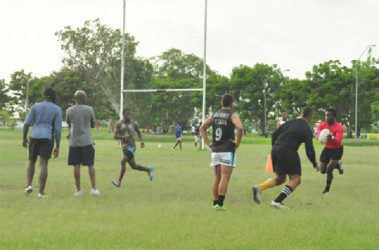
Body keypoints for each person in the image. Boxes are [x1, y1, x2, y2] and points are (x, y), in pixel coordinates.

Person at [252, 107, 319, 209]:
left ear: (301, 114)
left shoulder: (290, 122)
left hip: (275, 149)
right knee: (296, 179)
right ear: (311, 117)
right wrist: (315, 164)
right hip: (288, 151)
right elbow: (309, 150)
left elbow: (275, 135)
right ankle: (277, 202)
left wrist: (275, 149)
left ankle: (259, 188)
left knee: (280, 178)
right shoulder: (306, 129)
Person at [200, 93, 243, 210]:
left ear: (221, 103)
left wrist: (208, 143)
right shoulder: (232, 115)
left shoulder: (214, 115)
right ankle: (220, 204)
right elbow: (240, 127)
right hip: (227, 150)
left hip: (215, 151)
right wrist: (237, 143)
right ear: (232, 103)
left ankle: (215, 203)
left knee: (217, 177)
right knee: (225, 177)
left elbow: (202, 127)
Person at [22, 87, 62, 198]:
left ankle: (29, 186)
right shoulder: (57, 109)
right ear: (53, 97)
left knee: (31, 161)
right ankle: (41, 192)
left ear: (44, 96)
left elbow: (26, 124)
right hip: (47, 137)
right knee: (43, 163)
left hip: (34, 136)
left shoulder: (35, 106)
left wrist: (24, 137)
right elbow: (58, 129)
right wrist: (57, 145)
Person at [66, 90, 100, 197]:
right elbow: (92, 124)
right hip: (87, 141)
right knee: (90, 164)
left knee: (76, 165)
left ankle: (78, 190)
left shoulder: (69, 110)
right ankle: (93, 189)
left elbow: (69, 123)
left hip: (74, 142)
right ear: (83, 98)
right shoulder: (89, 109)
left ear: (75, 98)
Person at [111, 108, 154, 187]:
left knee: (123, 160)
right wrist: (124, 137)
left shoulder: (134, 124)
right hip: (124, 147)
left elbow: (138, 132)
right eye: (127, 114)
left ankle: (119, 181)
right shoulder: (119, 124)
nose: (129, 116)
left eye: (130, 114)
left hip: (132, 146)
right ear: (123, 114)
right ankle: (148, 170)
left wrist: (141, 141)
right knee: (134, 166)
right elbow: (114, 136)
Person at [316, 108, 344, 195]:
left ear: (334, 116)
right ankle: (337, 165)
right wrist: (320, 138)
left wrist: (332, 137)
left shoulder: (339, 127)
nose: (327, 117)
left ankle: (327, 189)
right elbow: (318, 136)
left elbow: (338, 141)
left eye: (329, 115)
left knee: (329, 170)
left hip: (337, 149)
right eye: (326, 115)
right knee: (322, 171)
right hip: (327, 149)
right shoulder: (322, 125)